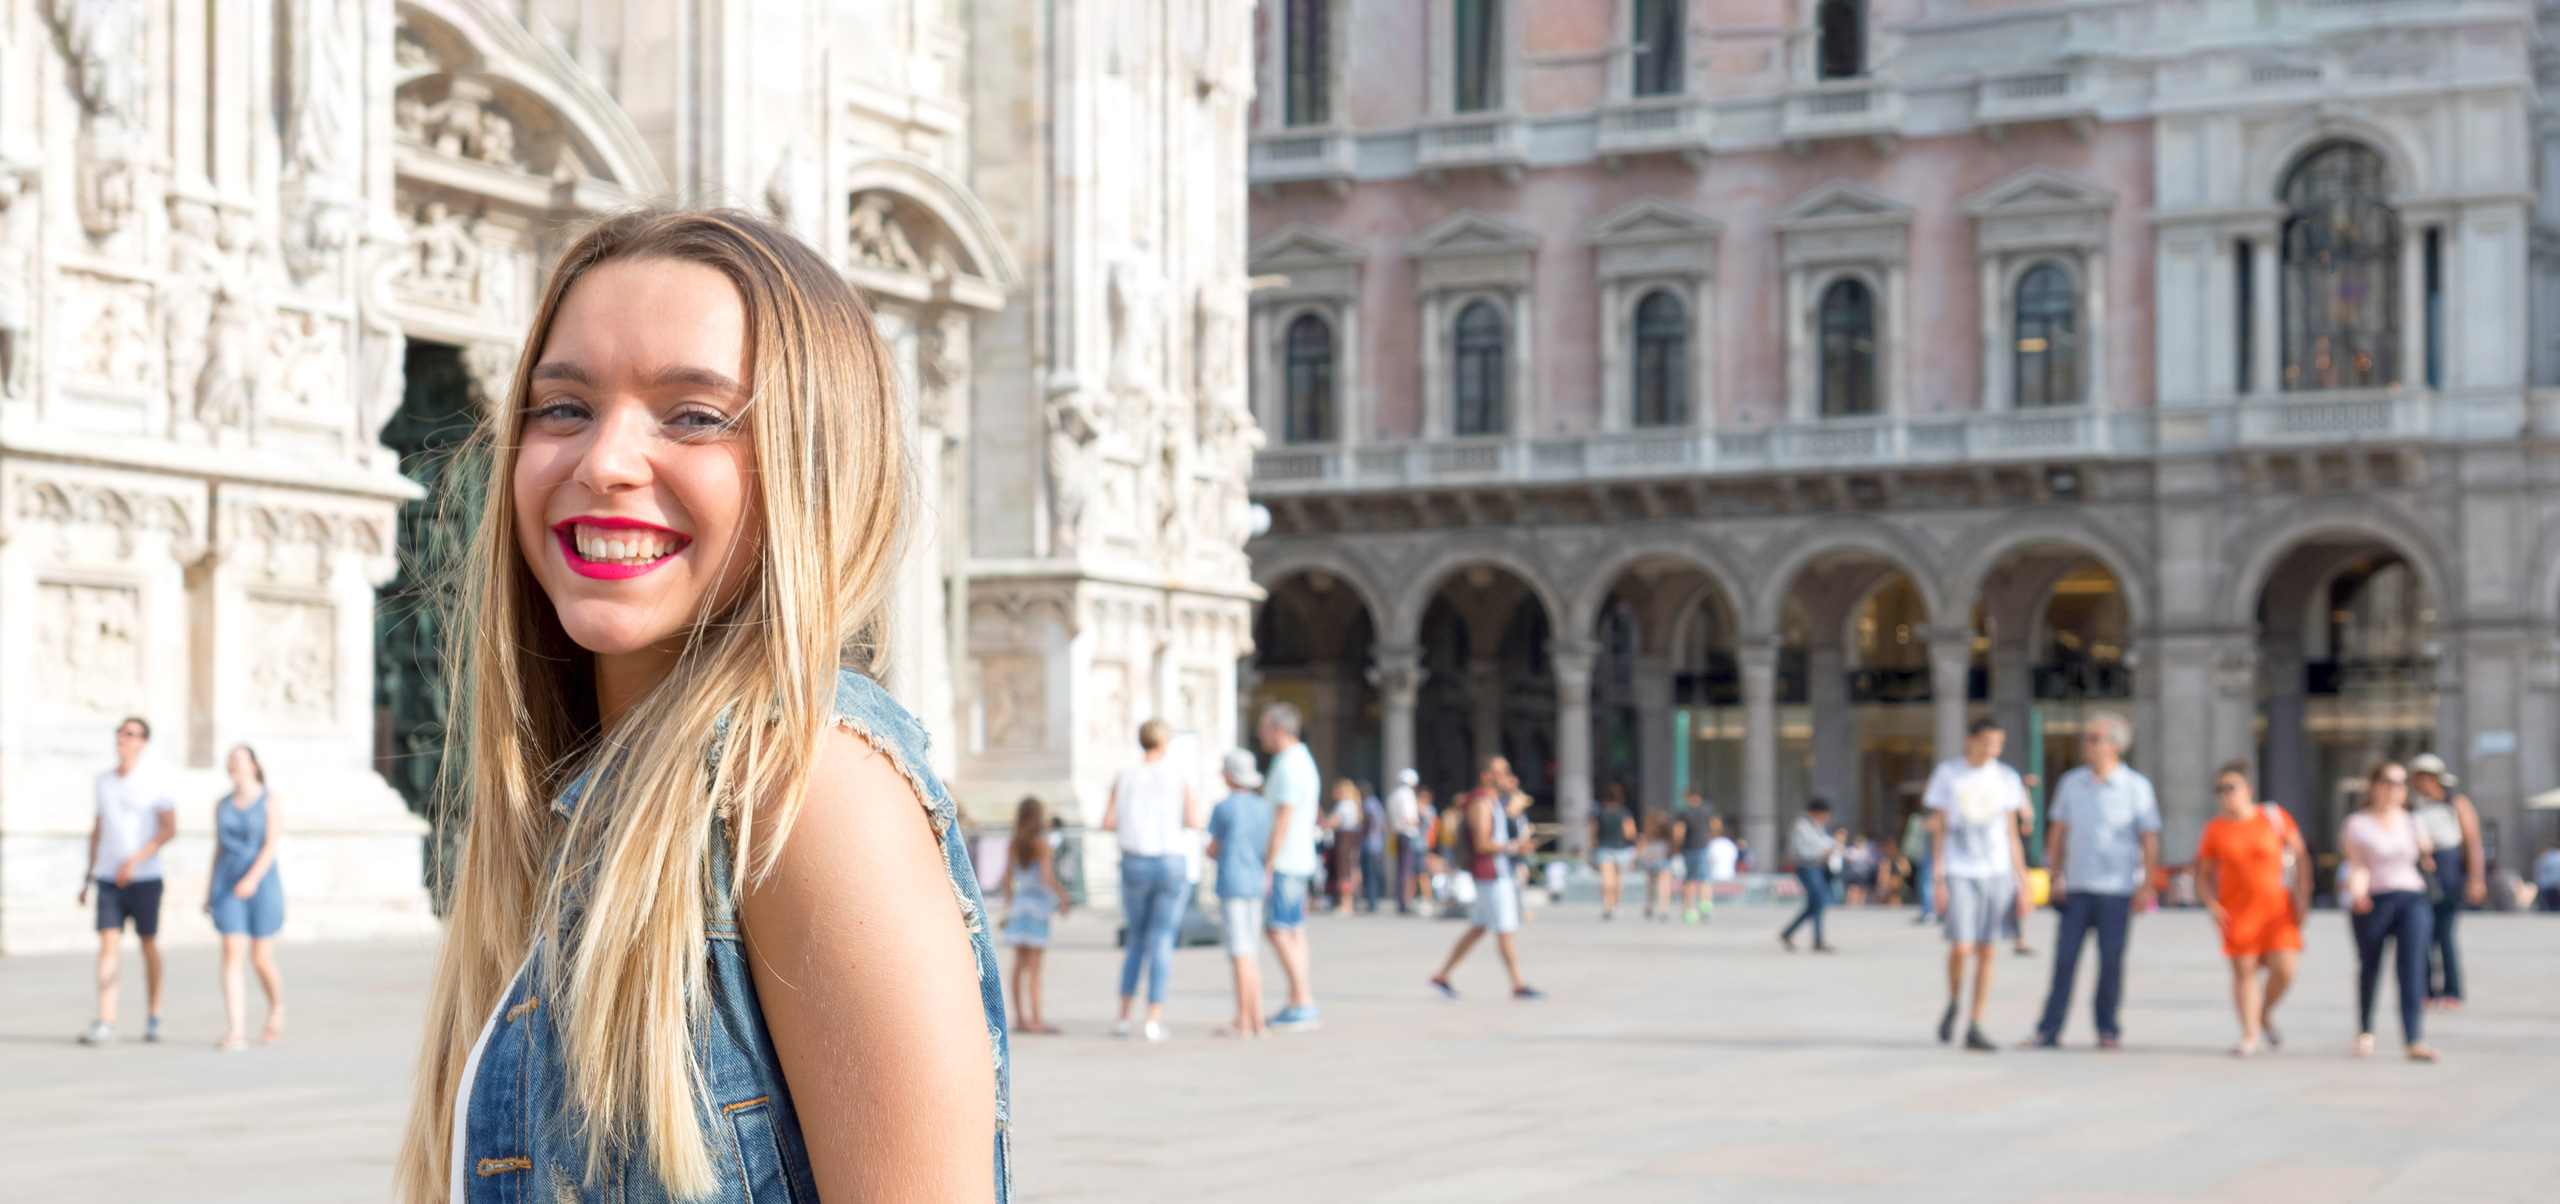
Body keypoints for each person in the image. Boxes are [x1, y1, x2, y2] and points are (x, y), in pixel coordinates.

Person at [393, 209, 1005, 1203]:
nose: (604, 461)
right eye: (563, 408)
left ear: (814, 464)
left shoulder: (806, 787)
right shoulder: (582, 814)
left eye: (694, 415)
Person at [2023, 713, 2159, 1050]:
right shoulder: (2072, 782)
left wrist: (2147, 885)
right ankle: (2049, 1029)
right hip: (2077, 887)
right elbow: (2057, 831)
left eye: (2093, 738)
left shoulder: (2136, 787)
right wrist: (2054, 873)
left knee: (2111, 961)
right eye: (2086, 738)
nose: (2086, 744)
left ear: (2114, 745)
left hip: (2117, 888)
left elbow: (2149, 837)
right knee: (2065, 959)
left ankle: (2107, 1028)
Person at [1927, 718, 2031, 1053]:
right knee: (1961, 946)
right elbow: (1939, 830)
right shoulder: (1948, 774)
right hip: (1960, 869)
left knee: (1988, 949)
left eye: (1997, 744)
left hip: (1997, 870)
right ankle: (1954, 1000)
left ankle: (1975, 1022)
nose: (1992, 750)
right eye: (1986, 742)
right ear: (1969, 739)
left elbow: (2012, 832)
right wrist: (1938, 876)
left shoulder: (2006, 777)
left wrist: (2023, 880)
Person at [2193, 761, 2309, 1056]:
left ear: (2249, 790)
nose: (2225, 794)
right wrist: (2211, 904)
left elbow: (2301, 855)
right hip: (2237, 910)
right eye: (2220, 790)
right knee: (2244, 971)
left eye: (2231, 788)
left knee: (2285, 969)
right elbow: (2203, 874)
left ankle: (2264, 1012)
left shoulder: (2273, 817)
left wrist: (2304, 896)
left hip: (2277, 909)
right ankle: (2250, 1035)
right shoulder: (2215, 830)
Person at [1099, 718, 1203, 1042]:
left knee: (1136, 940)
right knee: (1162, 939)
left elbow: (1108, 821)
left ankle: (1124, 1016)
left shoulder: (1125, 775)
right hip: (1170, 860)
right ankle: (1153, 1019)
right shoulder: (1177, 775)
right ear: (1165, 742)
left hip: (1134, 860)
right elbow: (1193, 819)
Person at [78, 716, 178, 1046]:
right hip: (108, 876)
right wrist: (88, 875)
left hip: (145, 877)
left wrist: (135, 861)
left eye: (130, 734)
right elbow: (98, 828)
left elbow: (168, 828)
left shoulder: (156, 779)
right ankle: (106, 1018)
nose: (123, 738)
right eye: (120, 732)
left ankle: (155, 1012)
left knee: (147, 944)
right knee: (108, 944)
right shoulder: (103, 781)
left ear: (143, 742)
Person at [2342, 761, 2439, 1061]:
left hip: (2412, 897)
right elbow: (2356, 865)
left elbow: (2426, 861)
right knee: (2370, 967)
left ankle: (2413, 1039)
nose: (2395, 788)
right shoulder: (2358, 823)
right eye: (2388, 781)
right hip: (2374, 899)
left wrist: (2428, 850)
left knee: (2412, 968)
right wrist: (2356, 892)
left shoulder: (2412, 820)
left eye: (2400, 782)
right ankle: (2365, 1031)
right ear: (2374, 785)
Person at [1429, 756, 1544, 1001]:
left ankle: (1442, 975)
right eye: (1501, 772)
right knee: (1506, 929)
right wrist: (1515, 847)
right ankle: (1518, 984)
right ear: (1487, 776)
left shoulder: (1496, 801)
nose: (1507, 776)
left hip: (1497, 872)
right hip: (1490, 874)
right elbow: (1482, 843)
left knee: (1479, 927)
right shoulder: (1481, 803)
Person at [207, 745, 287, 1051]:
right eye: (229, 761)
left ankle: (276, 1006)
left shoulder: (270, 800)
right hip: (227, 883)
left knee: (261, 957)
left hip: (261, 884)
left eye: (238, 760)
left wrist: (252, 880)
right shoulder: (221, 804)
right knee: (231, 951)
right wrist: (208, 890)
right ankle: (236, 1029)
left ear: (253, 765)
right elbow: (218, 848)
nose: (233, 765)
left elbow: (270, 845)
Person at [1257, 702, 1324, 1031]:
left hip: (1286, 858)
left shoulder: (1287, 764)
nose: (1260, 735)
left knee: (1277, 928)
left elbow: (1282, 818)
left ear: (1279, 729)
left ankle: (1303, 1000)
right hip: (1301, 856)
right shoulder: (1303, 760)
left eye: (1264, 728)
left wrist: (1268, 861)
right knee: (1294, 929)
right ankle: (1299, 998)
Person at [2406, 753, 2485, 1011]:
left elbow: (2473, 843)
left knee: (2445, 935)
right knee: (2422, 935)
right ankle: (2425, 990)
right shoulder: (2412, 806)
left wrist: (2476, 879)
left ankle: (2452, 990)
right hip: (2420, 877)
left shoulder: (2456, 803)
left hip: (2449, 876)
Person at [1204, 749, 1273, 1037]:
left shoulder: (1224, 807)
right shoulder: (1262, 807)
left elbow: (1214, 847)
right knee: (1252, 952)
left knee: (1239, 952)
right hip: (1255, 880)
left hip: (1232, 880)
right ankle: (1257, 1017)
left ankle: (1243, 1019)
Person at [999, 796, 1069, 1036]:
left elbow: (1006, 878)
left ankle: (1019, 1018)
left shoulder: (1014, 843)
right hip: (1038, 906)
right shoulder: (1042, 844)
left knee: (1018, 965)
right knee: (1035, 967)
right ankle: (1037, 1018)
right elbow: (1046, 878)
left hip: (1020, 905)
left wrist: (1010, 902)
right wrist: (1063, 896)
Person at [1780, 800, 1838, 952]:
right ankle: (1818, 941)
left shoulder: (1817, 826)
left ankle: (1789, 932)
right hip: (1806, 867)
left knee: (1815, 904)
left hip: (1818, 867)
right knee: (1819, 901)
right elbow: (1800, 851)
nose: (1827, 818)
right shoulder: (1800, 826)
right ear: (1816, 812)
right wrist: (1822, 853)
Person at [1591, 782, 1638, 919]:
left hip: (1604, 848)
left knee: (1607, 880)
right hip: (1621, 849)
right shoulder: (1624, 813)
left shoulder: (1600, 813)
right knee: (1618, 880)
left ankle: (1607, 906)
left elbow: (1593, 833)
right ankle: (1615, 905)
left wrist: (1593, 847)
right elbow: (1630, 833)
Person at [1671, 790, 1718, 923]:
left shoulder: (1684, 812)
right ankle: (1706, 906)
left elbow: (1678, 831)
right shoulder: (1708, 809)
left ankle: (1690, 911)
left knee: (1689, 880)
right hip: (1703, 847)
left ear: (1689, 796)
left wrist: (1675, 846)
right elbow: (1716, 825)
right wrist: (1708, 838)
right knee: (1705, 879)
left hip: (1689, 848)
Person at [1322, 778, 1364, 912]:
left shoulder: (1344, 804)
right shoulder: (1354, 804)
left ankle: (1346, 903)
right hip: (1352, 839)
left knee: (1343, 871)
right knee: (1352, 869)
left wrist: (1323, 823)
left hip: (1343, 840)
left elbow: (1333, 821)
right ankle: (1352, 900)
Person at [1386, 769, 1424, 913]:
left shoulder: (1394, 794)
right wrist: (1418, 821)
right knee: (1406, 870)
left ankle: (1401, 900)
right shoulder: (1406, 795)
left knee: (1400, 869)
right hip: (1407, 834)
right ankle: (1404, 902)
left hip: (1397, 834)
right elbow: (1407, 817)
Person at [1638, 811, 1676, 920]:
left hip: (1651, 862)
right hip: (1664, 862)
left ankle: (1650, 905)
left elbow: (1641, 850)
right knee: (1664, 886)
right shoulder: (1667, 836)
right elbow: (1672, 849)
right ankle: (1664, 908)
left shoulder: (1647, 835)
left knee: (1651, 885)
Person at [1903, 807, 1937, 923]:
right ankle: (1928, 911)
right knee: (1924, 881)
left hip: (1932, 853)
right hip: (1927, 853)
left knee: (1926, 882)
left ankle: (1930, 912)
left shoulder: (1936, 818)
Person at [1359, 783, 1389, 913]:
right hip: (1378, 843)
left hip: (1369, 844)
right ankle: (1374, 899)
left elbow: (1369, 820)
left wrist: (1362, 834)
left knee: (1369, 874)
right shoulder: (1377, 803)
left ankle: (1371, 901)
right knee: (1375, 874)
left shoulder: (1368, 803)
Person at [2537, 844, 2560, 912]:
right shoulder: (2556, 857)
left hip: (2548, 885)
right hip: (2555, 884)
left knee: (2551, 905)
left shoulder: (2546, 859)